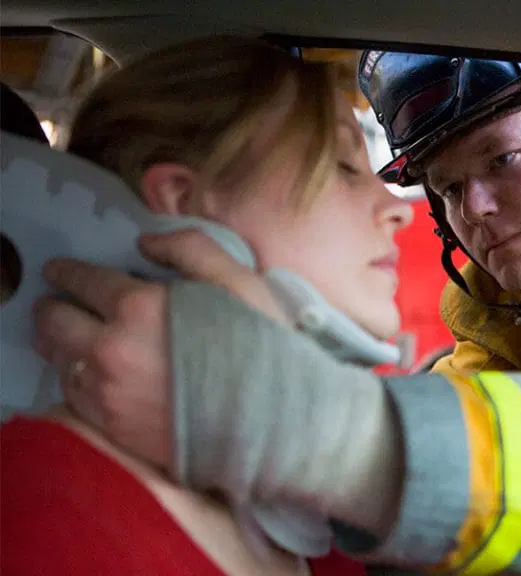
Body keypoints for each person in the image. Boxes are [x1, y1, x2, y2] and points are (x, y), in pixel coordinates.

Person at [28, 51, 521, 576]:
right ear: (184, 205)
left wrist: (313, 426)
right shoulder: (502, 302)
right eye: (444, 188)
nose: (467, 211)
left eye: (501, 160)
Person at [2, 36, 416, 575]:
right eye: (342, 164)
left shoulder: (311, 519)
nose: (396, 209)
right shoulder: (40, 504)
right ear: (182, 202)